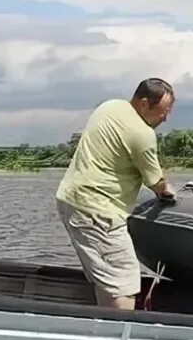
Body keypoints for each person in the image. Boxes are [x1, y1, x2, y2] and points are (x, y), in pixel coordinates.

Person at [55, 78, 175, 310]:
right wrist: (170, 192)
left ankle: (102, 326)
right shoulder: (142, 134)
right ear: (143, 103)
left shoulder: (109, 107)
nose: (165, 118)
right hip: (98, 212)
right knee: (123, 282)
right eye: (163, 111)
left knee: (107, 279)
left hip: (70, 199)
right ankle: (119, 338)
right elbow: (157, 183)